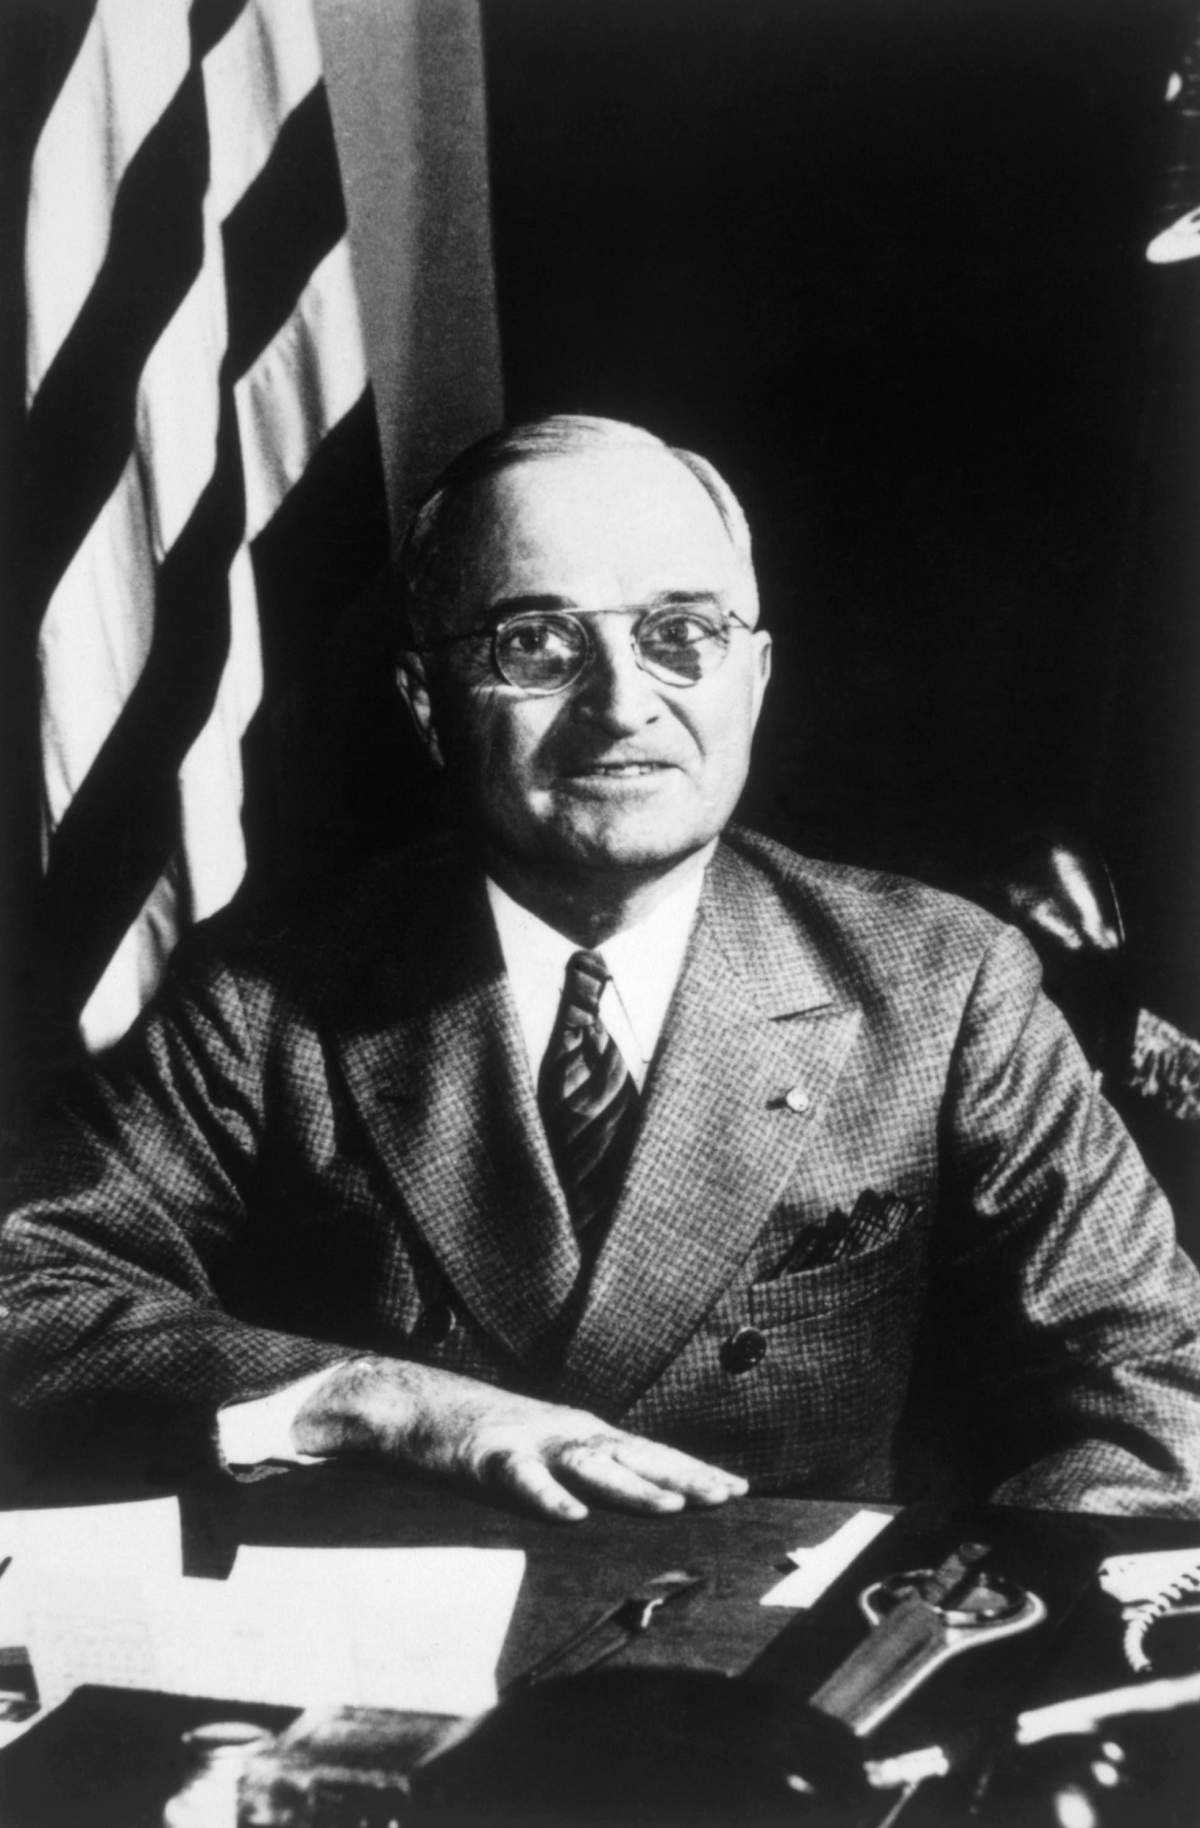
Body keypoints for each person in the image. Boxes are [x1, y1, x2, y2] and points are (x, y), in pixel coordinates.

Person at [3, 414, 1200, 1523]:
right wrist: (372, 1398)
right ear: (429, 704)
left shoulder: (944, 983)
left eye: (683, 636)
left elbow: (1150, 1377)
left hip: (798, 1689)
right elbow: (26, 1299)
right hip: (406, 1683)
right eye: (537, 643)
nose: (623, 702)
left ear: (757, 677)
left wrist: (951, 1638)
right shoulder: (269, 997)